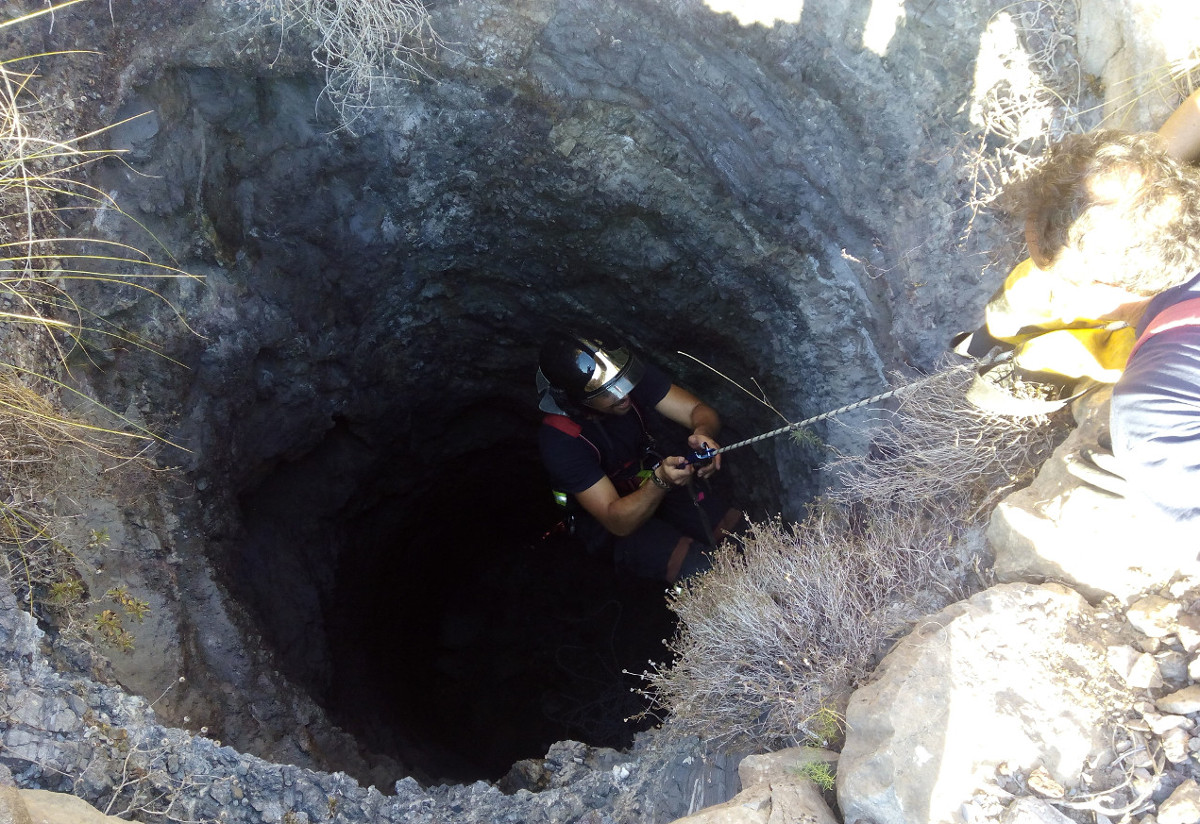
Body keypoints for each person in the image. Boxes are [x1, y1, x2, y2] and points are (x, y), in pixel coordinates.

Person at [975, 128, 1200, 538]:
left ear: (1101, 290)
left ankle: (1031, 364)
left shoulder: (1155, 411)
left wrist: (1167, 486)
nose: (1049, 290)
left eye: (1053, 279)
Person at [536, 331, 743, 584]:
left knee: (737, 533)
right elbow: (617, 521)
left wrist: (702, 432)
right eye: (607, 393)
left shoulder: (620, 377)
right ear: (576, 400)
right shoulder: (561, 441)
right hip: (608, 521)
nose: (623, 395)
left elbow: (697, 411)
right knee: (698, 568)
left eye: (622, 383)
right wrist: (661, 481)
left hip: (648, 478)